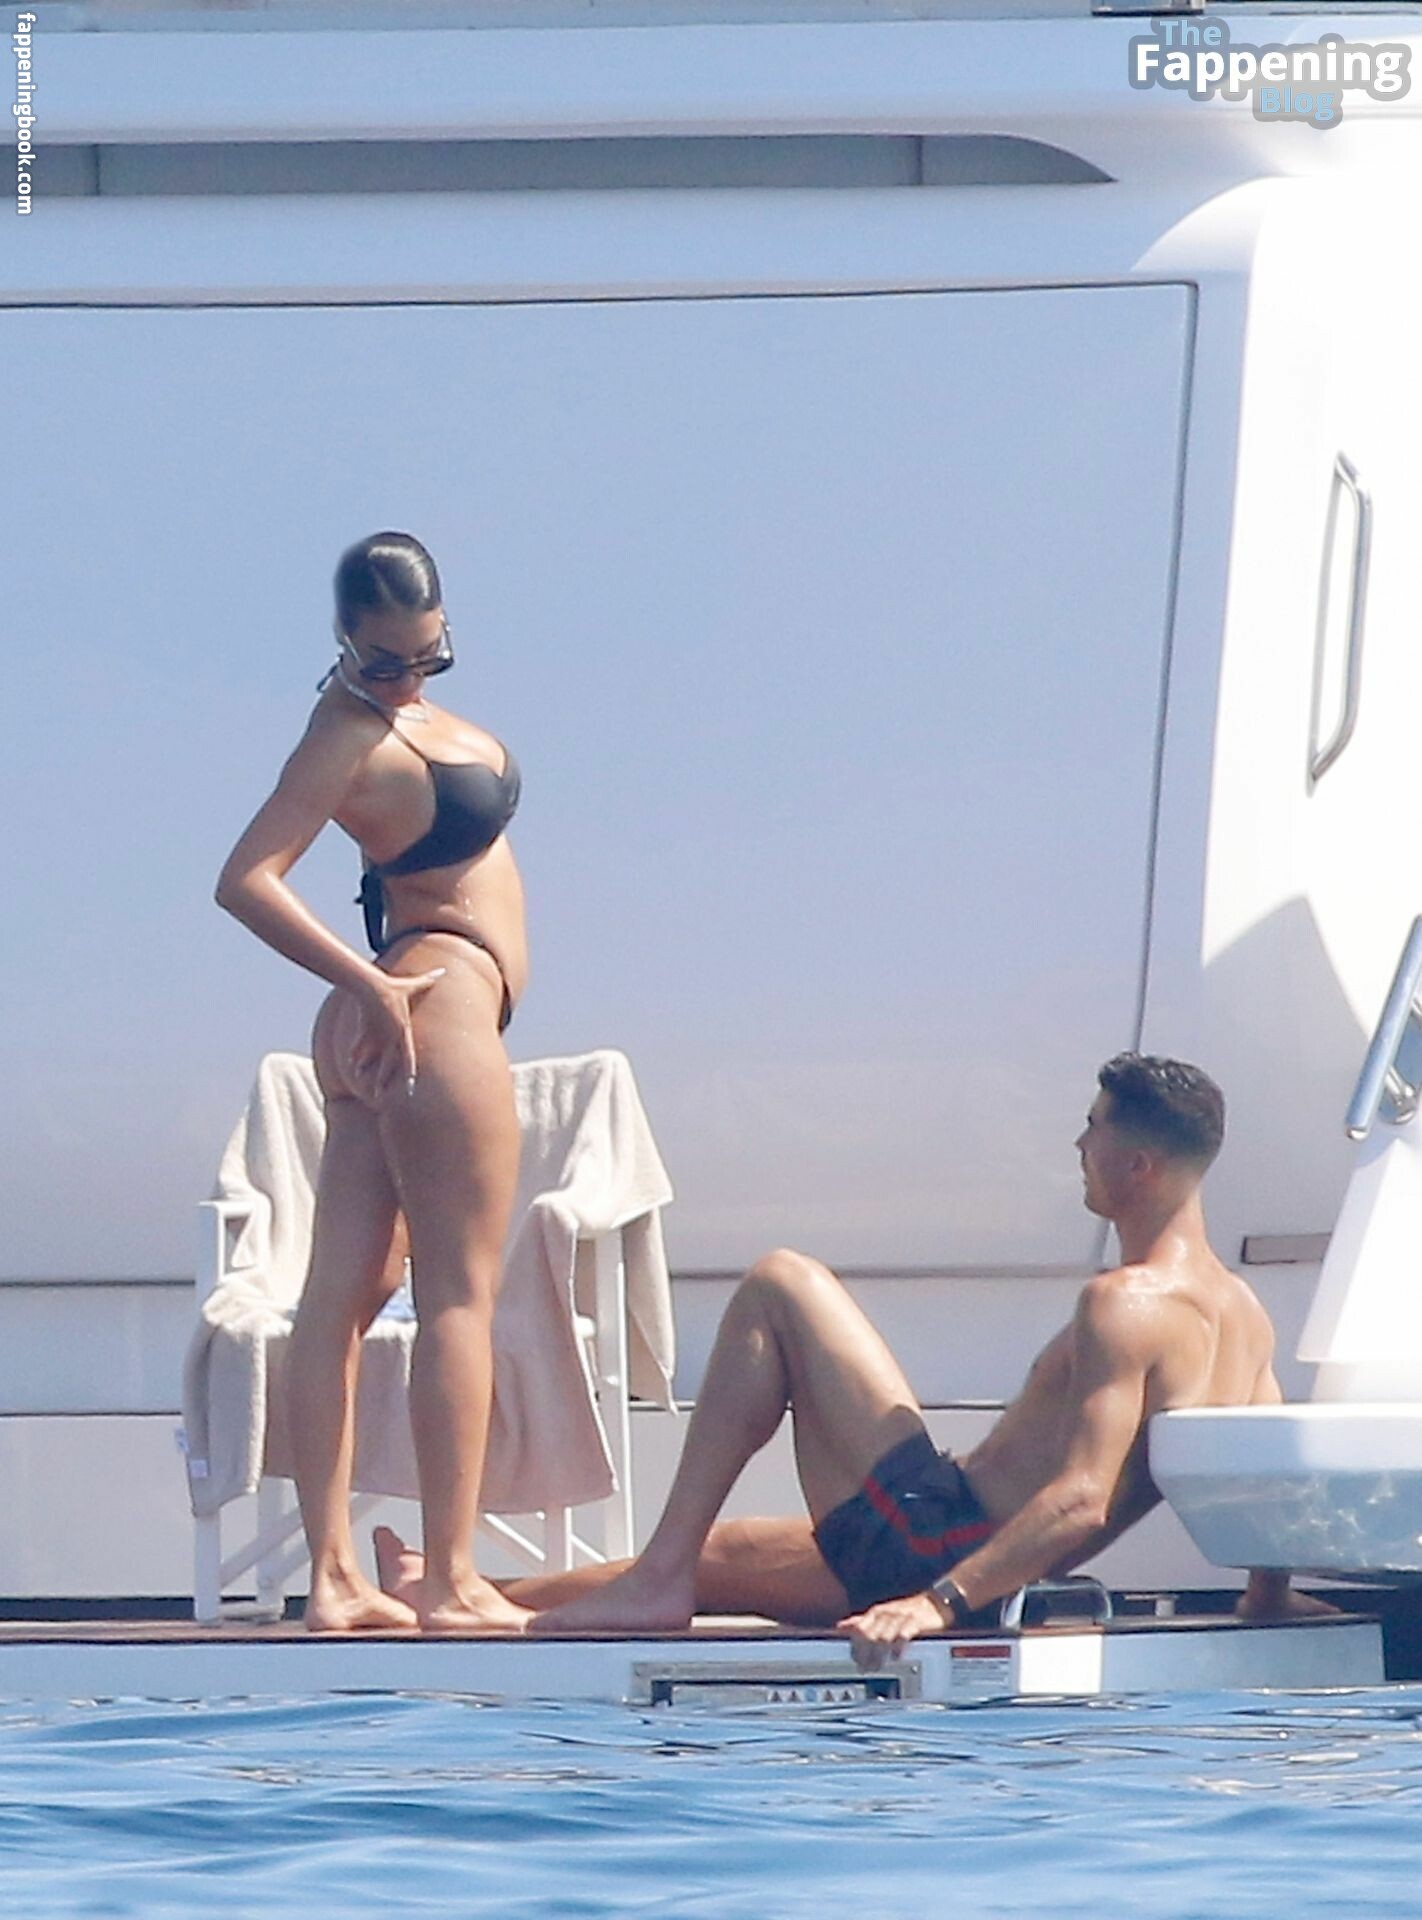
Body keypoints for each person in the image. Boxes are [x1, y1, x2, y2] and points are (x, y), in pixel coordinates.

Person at [375, 1053, 1330, 1658]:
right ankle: (465, 1596)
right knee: (733, 1557)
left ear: (1137, 1167)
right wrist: (1266, 1605)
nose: (1079, 1142)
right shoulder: (1244, 1318)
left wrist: (938, 1605)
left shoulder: (1124, 1304)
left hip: (944, 1550)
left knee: (781, 1283)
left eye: (1095, 1127)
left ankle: (645, 1578)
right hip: (956, 1534)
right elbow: (1259, 1482)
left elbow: (1080, 1497)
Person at [216, 530, 531, 1635]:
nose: (405, 679)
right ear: (343, 643)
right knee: (458, 1296)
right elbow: (245, 880)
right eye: (383, 662)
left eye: (426, 658)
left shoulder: (392, 721)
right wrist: (367, 982)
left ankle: (337, 1581)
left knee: (338, 1302)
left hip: (393, 1015)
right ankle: (452, 1579)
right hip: (428, 1007)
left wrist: (370, 991)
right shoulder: (344, 736)